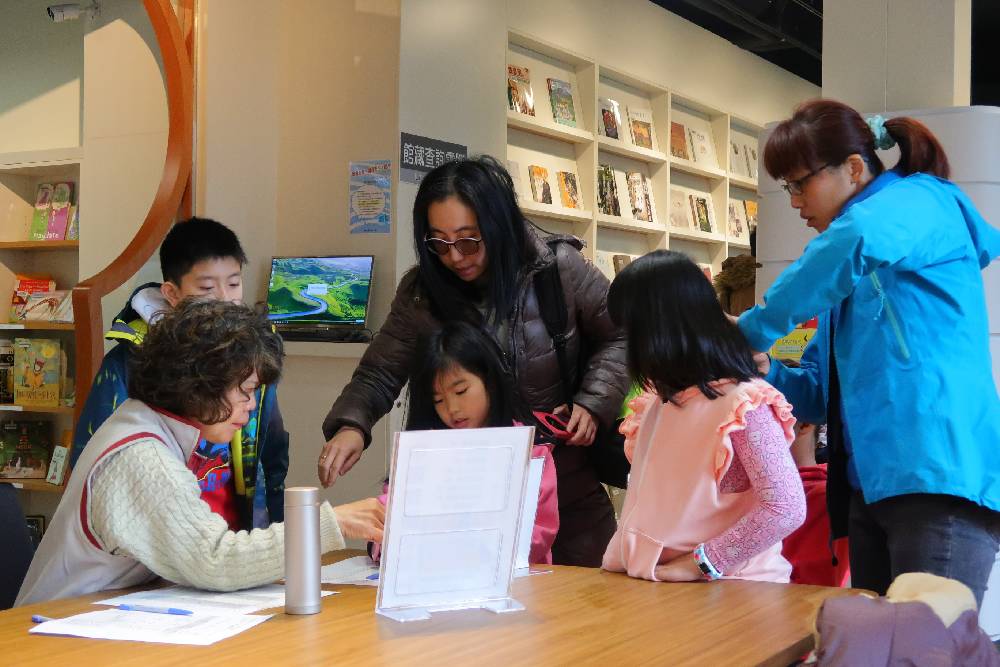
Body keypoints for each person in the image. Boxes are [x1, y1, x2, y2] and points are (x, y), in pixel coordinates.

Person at [737, 98, 1000, 605]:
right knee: (880, 652)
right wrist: (762, 366)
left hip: (936, 475)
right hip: (869, 488)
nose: (794, 202)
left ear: (854, 168)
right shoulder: (846, 279)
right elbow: (815, 393)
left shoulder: (920, 200)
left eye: (798, 183)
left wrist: (751, 329)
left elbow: (855, 237)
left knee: (924, 654)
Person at [320, 156, 628, 566]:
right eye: (439, 242)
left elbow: (621, 331)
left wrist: (593, 401)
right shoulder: (421, 293)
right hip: (464, 488)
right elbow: (380, 370)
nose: (455, 256)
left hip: (565, 483)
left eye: (469, 239)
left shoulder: (556, 269)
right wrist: (351, 425)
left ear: (497, 225)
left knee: (596, 613)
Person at [16, 300, 383, 606]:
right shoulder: (142, 456)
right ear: (200, 383)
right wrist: (332, 523)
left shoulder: (146, 425)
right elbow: (215, 559)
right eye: (246, 390)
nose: (251, 406)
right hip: (63, 631)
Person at [71, 217, 290, 529]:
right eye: (206, 287)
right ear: (172, 293)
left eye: (233, 283)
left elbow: (272, 449)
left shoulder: (250, 357)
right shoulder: (132, 359)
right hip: (158, 533)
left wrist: (276, 527)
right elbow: (93, 458)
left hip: (232, 531)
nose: (225, 299)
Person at [602, 250, 805, 583]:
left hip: (734, 593)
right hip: (663, 588)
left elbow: (785, 507)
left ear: (658, 333)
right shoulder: (658, 403)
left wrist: (703, 563)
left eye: (631, 334)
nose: (628, 349)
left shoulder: (743, 405)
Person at [405, 322, 558, 563]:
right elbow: (387, 518)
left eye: (461, 391)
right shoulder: (424, 450)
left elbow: (538, 535)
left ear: (489, 381)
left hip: (515, 585)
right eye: (438, 400)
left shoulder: (531, 452)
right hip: (435, 577)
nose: (452, 409)